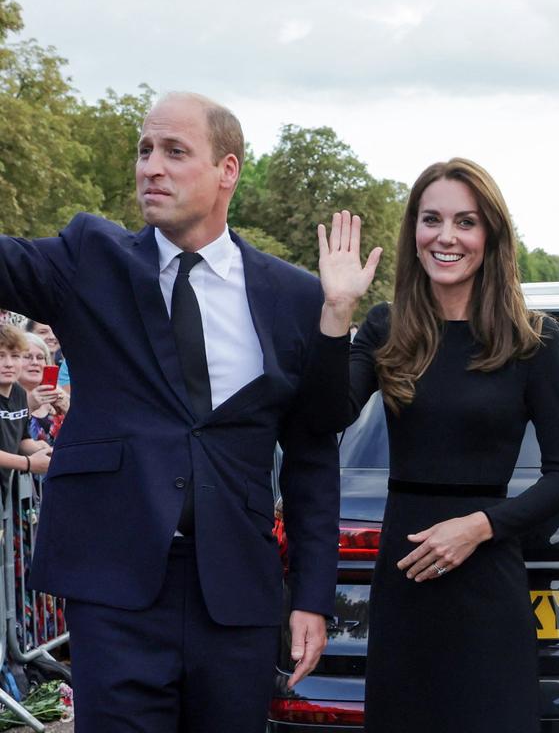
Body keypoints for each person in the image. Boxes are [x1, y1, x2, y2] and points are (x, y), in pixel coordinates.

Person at [0, 91, 340, 733]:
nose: (151, 166)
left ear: (227, 171)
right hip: (115, 588)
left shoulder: (294, 297)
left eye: (175, 152)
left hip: (236, 593)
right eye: (145, 150)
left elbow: (312, 456)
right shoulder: (89, 259)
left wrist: (314, 598)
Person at [311, 158, 559, 732]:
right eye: (431, 219)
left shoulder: (534, 339)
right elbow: (323, 417)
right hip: (405, 575)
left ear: (490, 235)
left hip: (488, 576)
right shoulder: (389, 326)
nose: (446, 236)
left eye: (465, 221)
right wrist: (338, 311)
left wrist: (479, 526)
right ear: (414, 231)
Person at [0, 325, 51, 478]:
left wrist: (42, 451)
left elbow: (21, 439)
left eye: (15, 356)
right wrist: (28, 463)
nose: (9, 363)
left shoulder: (19, 393)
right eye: (0, 355)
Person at [19, 331, 68, 445]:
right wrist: (28, 408)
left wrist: (69, 411)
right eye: (27, 357)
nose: (35, 362)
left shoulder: (60, 397)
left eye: (40, 357)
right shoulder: (6, 400)